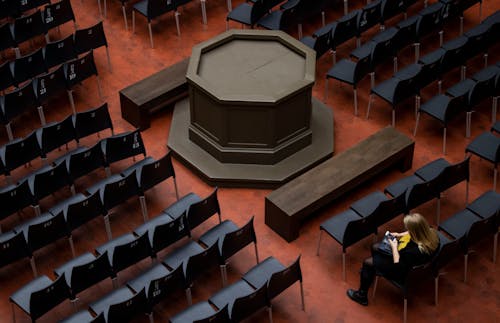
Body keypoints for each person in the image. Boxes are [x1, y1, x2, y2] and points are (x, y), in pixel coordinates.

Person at [346, 213, 440, 306]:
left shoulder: (413, 252)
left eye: (408, 229)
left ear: (414, 231)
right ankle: (371, 273)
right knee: (375, 247)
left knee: (367, 263)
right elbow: (414, 234)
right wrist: (400, 234)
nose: (406, 230)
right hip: (415, 264)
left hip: (404, 272)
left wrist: (394, 247)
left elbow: (397, 262)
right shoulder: (433, 234)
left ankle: (361, 296)